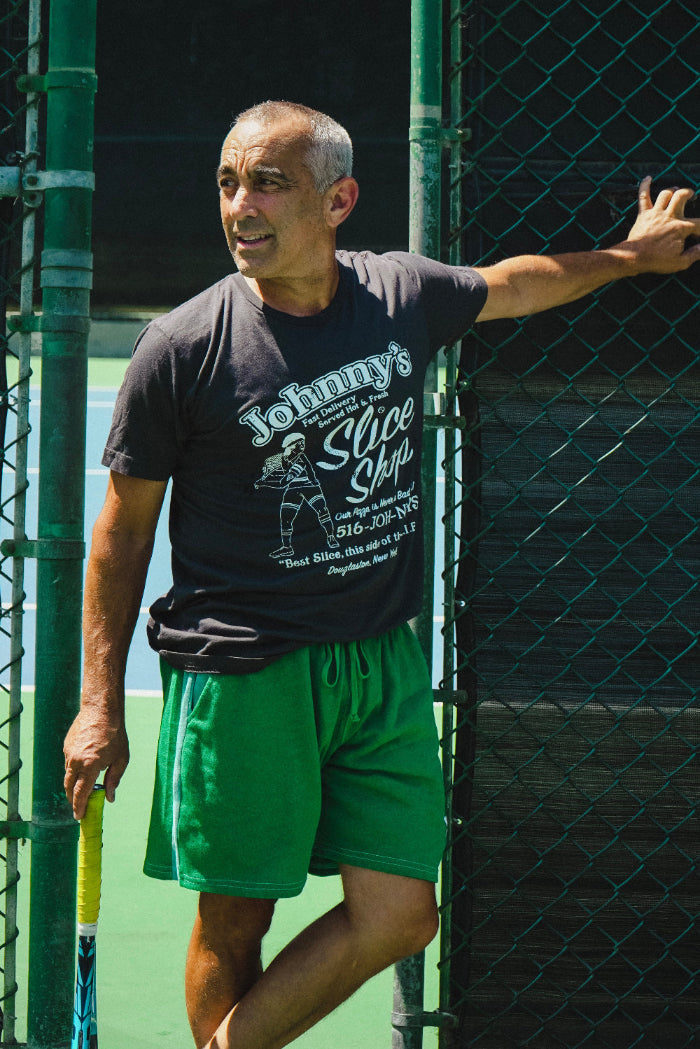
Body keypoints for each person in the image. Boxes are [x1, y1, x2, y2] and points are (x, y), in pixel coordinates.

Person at [63, 100, 699, 1049]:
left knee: (402, 913)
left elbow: (514, 284)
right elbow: (119, 537)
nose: (241, 205)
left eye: (269, 182)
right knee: (237, 922)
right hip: (243, 675)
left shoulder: (400, 296)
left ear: (340, 199)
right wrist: (98, 703)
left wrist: (629, 256)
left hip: (378, 667)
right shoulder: (182, 347)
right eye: (229, 183)